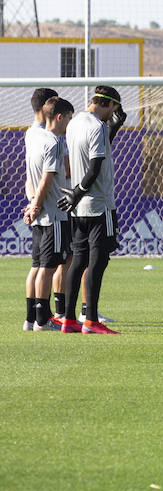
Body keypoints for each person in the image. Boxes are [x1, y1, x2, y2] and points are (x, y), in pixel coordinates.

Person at [58, 85, 127, 334]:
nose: (113, 115)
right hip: (99, 204)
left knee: (78, 261)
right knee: (98, 262)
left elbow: (96, 151)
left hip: (79, 208)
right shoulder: (97, 126)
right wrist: (79, 190)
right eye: (114, 110)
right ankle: (91, 319)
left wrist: (115, 127)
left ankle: (68, 319)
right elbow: (95, 166)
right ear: (108, 104)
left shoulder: (75, 122)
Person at [22, 94, 69, 331]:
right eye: (68, 119)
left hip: (39, 212)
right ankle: (43, 319)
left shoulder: (33, 136)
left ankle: (30, 319)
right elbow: (46, 181)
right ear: (59, 117)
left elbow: (31, 177)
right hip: (53, 215)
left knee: (36, 266)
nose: (68, 124)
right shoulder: (54, 142)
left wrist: (32, 205)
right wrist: (38, 204)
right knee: (48, 268)